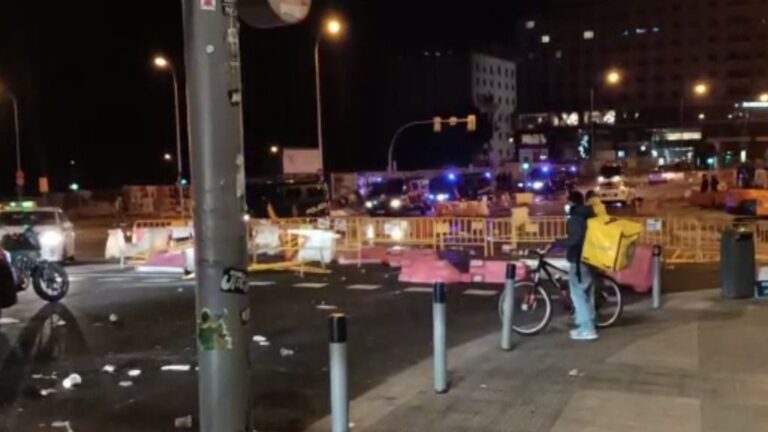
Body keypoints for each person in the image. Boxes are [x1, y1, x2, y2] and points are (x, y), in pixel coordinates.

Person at [551, 191, 597, 341]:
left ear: (572, 203)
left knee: (577, 294)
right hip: (589, 258)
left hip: (579, 260)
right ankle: (587, 324)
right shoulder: (588, 214)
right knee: (586, 294)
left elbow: (575, 239)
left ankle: (587, 328)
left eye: (568, 201)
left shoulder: (575, 218)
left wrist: (558, 243)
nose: (566, 205)